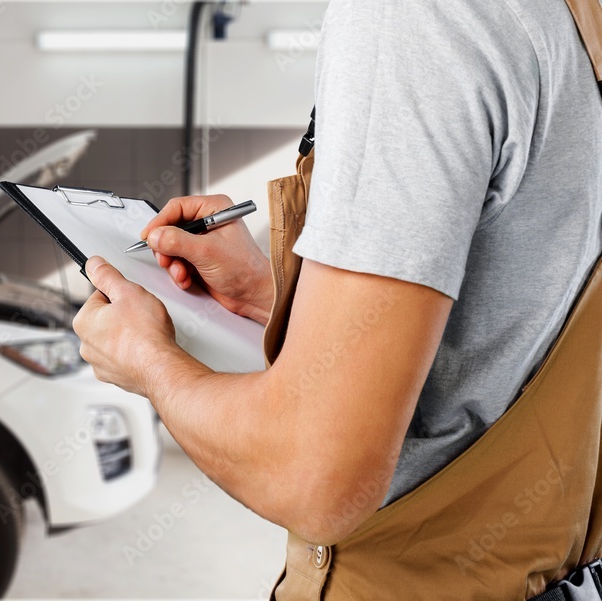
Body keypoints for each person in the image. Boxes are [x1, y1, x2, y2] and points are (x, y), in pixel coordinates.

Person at [72, 0, 602, 597]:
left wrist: (149, 362)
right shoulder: (573, 29)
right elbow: (510, 328)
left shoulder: (414, 18)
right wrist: (269, 296)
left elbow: (314, 475)